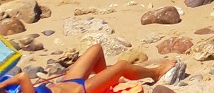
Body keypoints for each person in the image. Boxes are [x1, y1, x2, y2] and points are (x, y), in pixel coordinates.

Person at [0, 43, 179, 93]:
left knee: (96, 50)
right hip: (81, 90)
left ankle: (108, 82)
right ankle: (155, 73)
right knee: (122, 66)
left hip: (67, 82)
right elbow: (22, 76)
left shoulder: (7, 86)